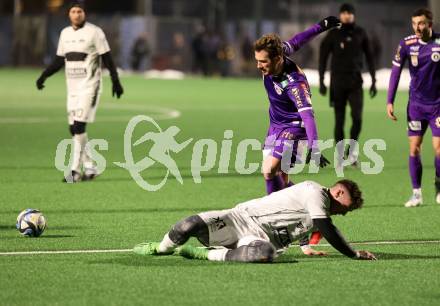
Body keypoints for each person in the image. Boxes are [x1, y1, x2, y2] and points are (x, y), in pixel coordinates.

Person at [133, 180, 376, 262]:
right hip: (240, 218)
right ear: (340, 193)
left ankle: (201, 254)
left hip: (258, 238)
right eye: (346, 208)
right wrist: (353, 254)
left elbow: (304, 221)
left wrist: (304, 246)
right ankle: (161, 248)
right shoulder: (315, 192)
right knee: (187, 225)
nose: (343, 213)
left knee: (264, 254)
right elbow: (326, 227)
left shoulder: (319, 205)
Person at [36, 2, 123, 183]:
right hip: (73, 88)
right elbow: (60, 60)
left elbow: (107, 57)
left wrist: (116, 81)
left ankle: (74, 171)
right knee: (74, 129)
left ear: (85, 13)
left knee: (78, 127)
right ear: (69, 14)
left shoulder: (95, 32)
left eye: (79, 11)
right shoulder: (65, 33)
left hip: (90, 86)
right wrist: (44, 76)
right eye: (73, 11)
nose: (76, 14)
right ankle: (91, 167)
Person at [255, 17, 340, 196]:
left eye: (263, 61)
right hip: (275, 125)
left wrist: (314, 147)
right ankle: (306, 205)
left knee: (268, 170)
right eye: (257, 60)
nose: (258, 66)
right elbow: (299, 40)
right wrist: (321, 26)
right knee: (280, 180)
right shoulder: (280, 52)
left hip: (295, 127)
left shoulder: (295, 85)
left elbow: (308, 116)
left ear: (277, 59)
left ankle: (272, 214)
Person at [386, 8, 440, 207]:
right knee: (414, 149)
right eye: (414, 23)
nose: (417, 27)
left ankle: (439, 185)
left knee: (438, 149)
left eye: (421, 23)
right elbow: (395, 72)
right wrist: (390, 101)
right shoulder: (407, 44)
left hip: (437, 106)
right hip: (416, 106)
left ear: (430, 24)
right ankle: (416, 193)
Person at [319, 3, 376, 165]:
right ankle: (340, 155)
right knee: (339, 120)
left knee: (357, 119)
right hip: (337, 82)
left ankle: (351, 153)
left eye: (349, 13)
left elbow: (370, 57)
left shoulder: (360, 33)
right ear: (340, 15)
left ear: (354, 15)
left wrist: (373, 80)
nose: (346, 15)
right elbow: (322, 58)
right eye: (343, 13)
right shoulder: (333, 34)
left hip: (355, 82)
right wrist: (322, 80)